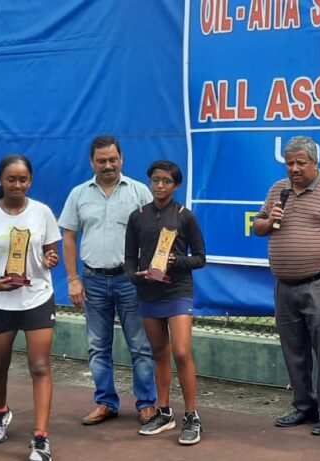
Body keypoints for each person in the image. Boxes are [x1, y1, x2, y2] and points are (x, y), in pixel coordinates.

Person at [252, 135, 320, 436]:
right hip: (284, 285)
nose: (294, 168)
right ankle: (304, 407)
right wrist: (271, 218)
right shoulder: (278, 190)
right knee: (293, 350)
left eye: (301, 162)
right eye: (290, 162)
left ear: (315, 163)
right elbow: (258, 227)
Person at [0, 153, 62, 461]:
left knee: (40, 366)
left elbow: (51, 253)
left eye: (23, 179)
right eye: (11, 179)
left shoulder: (43, 213)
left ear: (30, 181)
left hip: (37, 298)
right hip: (1, 302)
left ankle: (41, 438)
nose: (17, 184)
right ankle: (1, 412)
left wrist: (51, 259)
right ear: (0, 180)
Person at [59, 135, 157, 427]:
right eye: (101, 161)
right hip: (93, 281)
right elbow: (68, 238)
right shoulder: (79, 194)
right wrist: (73, 279)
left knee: (140, 345)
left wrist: (149, 274)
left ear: (122, 159)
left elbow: (154, 234)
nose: (108, 165)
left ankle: (147, 404)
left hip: (130, 282)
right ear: (92, 162)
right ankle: (105, 402)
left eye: (113, 159)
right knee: (98, 346)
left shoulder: (139, 192)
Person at [124, 160, 207, 445]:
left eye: (166, 181)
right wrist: (135, 276)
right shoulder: (138, 216)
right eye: (156, 180)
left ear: (176, 185)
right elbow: (129, 258)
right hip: (149, 292)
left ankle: (192, 416)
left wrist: (176, 261)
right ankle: (164, 412)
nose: (160, 186)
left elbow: (200, 257)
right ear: (150, 182)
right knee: (159, 352)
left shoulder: (185, 216)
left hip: (178, 291)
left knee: (181, 352)